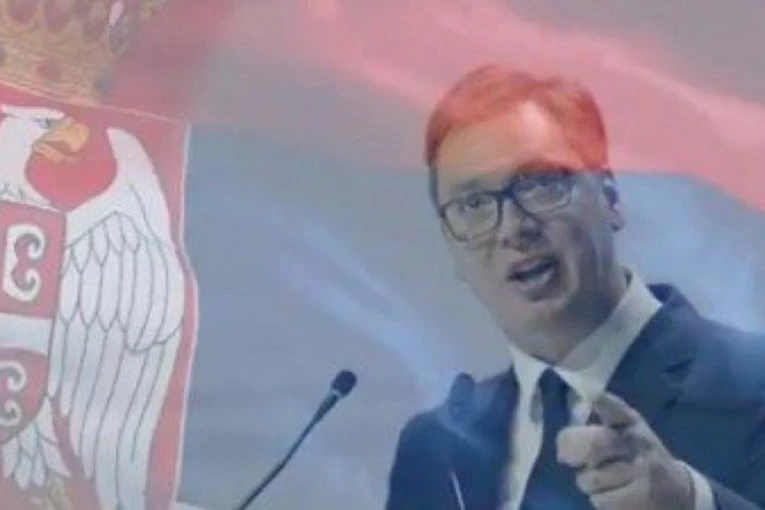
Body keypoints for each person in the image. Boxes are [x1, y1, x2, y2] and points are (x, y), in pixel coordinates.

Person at [385, 64, 765, 510]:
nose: (513, 228)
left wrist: (690, 502)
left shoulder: (751, 384)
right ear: (452, 250)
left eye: (540, 184)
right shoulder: (432, 451)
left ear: (611, 197)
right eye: (473, 205)